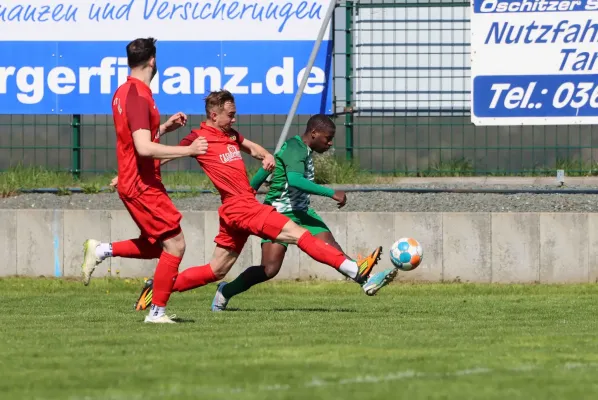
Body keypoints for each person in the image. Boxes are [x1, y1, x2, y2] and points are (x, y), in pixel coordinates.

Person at [132, 90, 396, 314]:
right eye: (230, 114)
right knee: (298, 234)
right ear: (214, 115)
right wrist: (135, 171)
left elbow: (252, 147)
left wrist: (266, 155)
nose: (234, 118)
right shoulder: (197, 138)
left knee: (216, 270)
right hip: (240, 207)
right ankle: (359, 273)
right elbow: (162, 155)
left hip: (237, 208)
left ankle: (158, 286)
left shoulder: (231, 134)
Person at [207, 114, 398, 311]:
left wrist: (249, 190)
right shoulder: (294, 148)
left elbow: (268, 168)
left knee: (331, 246)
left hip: (303, 212)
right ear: (314, 133)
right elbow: (295, 180)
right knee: (269, 269)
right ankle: (225, 291)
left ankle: (365, 280)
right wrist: (331, 193)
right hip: (279, 213)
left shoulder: (302, 150)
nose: (330, 143)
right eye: (328, 138)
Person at [80, 37, 210, 324]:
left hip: (136, 180)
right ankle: (156, 313)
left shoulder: (123, 91)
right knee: (175, 244)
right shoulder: (139, 95)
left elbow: (134, 141)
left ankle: (102, 249)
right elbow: (143, 148)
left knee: (157, 246)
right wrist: (188, 149)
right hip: (141, 184)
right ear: (153, 60)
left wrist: (163, 127)